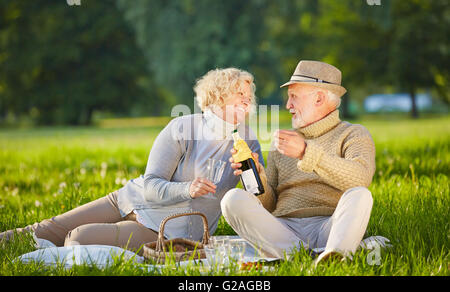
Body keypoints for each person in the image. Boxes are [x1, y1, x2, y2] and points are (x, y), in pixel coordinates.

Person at [0, 68, 264, 255]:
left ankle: (93, 238)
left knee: (78, 238)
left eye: (249, 95)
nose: (247, 99)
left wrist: (257, 175)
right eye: (240, 92)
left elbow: (257, 197)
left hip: (163, 230)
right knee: (50, 228)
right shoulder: (182, 128)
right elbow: (150, 184)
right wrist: (188, 189)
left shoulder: (247, 141)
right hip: (131, 199)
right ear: (218, 96)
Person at [222, 60, 376, 264]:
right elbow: (270, 205)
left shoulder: (353, 134)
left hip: (330, 227)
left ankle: (334, 254)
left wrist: (306, 152)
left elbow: (360, 178)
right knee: (231, 199)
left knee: (360, 195)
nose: (288, 106)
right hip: (284, 231)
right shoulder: (282, 144)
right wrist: (257, 175)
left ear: (319, 99)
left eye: (294, 97)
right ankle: (306, 257)